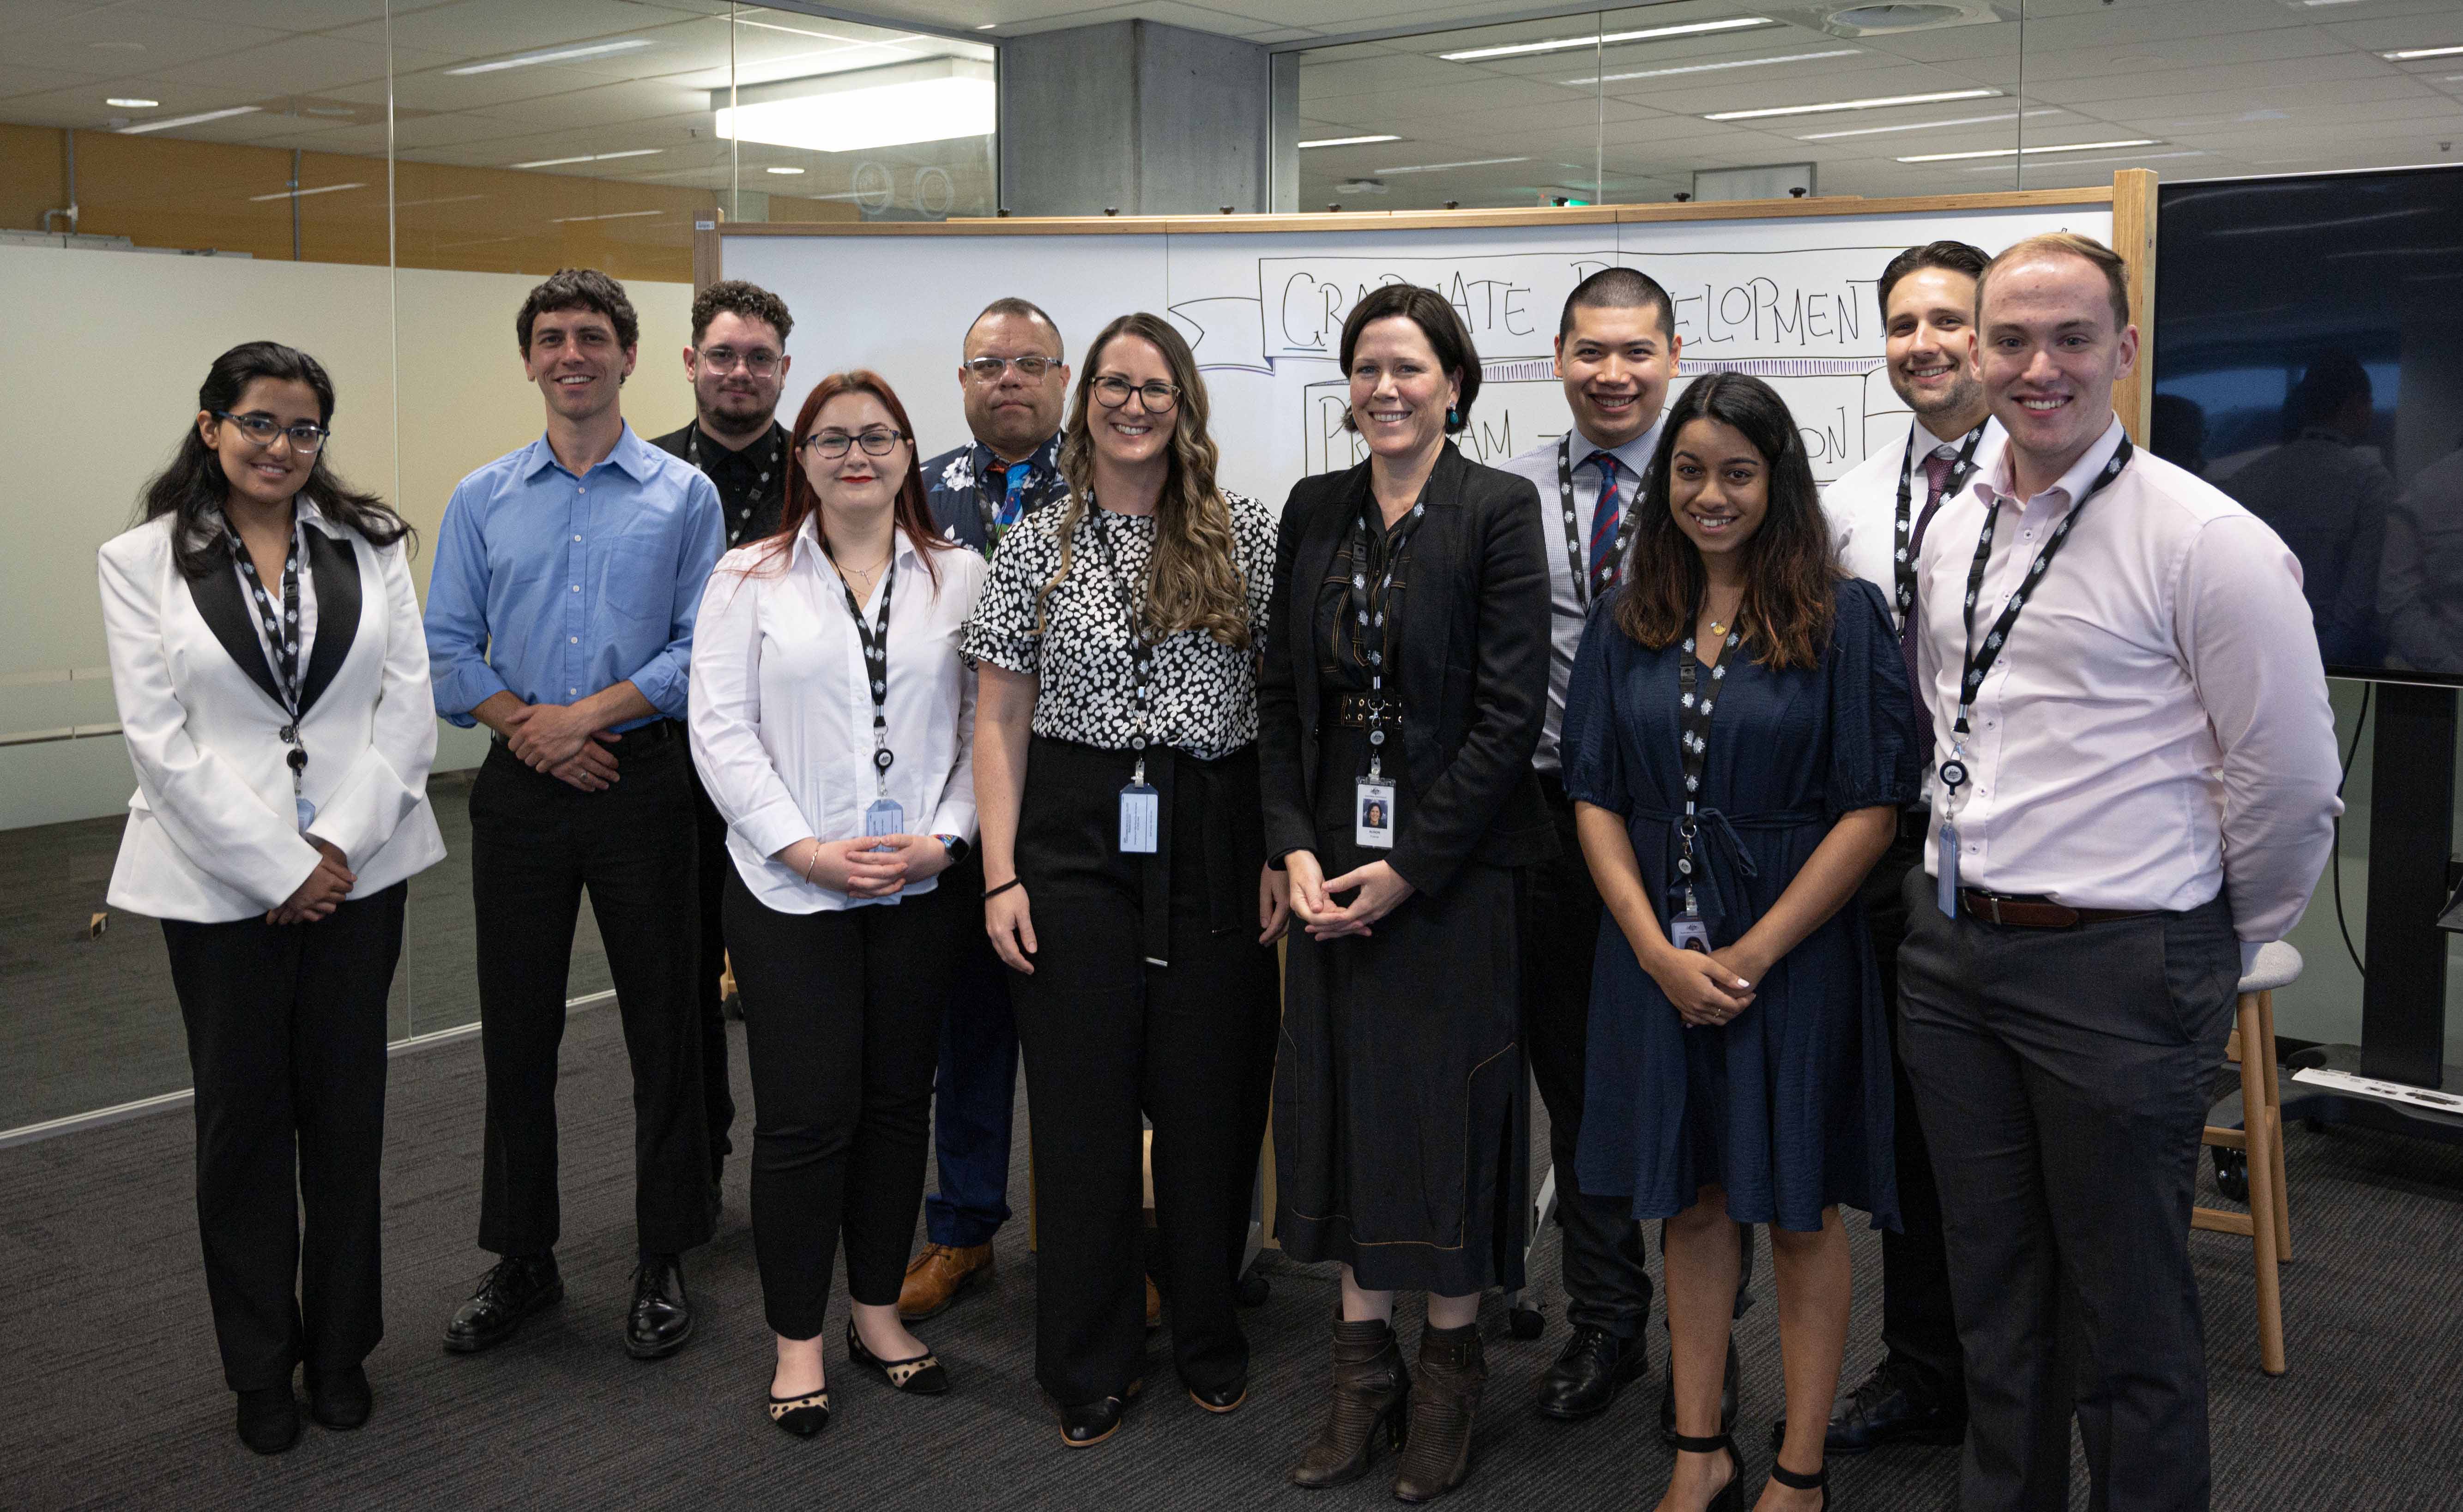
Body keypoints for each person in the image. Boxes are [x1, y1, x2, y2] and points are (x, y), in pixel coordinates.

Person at [1902, 232, 2342, 1512]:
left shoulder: (2206, 543)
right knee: (1993, 1302)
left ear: (2122, 353)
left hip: (2118, 966)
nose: (2038, 368)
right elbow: (1950, 719)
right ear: (1977, 351)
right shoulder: (1951, 525)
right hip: (1949, 956)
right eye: (2011, 340)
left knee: (2128, 1325)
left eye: (2071, 339)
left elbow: (2289, 786)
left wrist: (2196, 941)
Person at [1568, 371, 1914, 1512]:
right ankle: (1697, 1446)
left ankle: (1800, 1469)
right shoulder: (1629, 620)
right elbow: (1597, 796)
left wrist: (1754, 952)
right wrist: (1657, 954)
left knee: (1799, 1208)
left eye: (1736, 472)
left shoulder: (1844, 613)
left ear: (1778, 481)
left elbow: (1871, 808)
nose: (1710, 495)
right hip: (1654, 959)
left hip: (1794, 957)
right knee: (1695, 1201)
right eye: (1689, 470)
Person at [98, 341, 444, 1453]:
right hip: (216, 887)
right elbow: (161, 743)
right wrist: (278, 864)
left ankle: (340, 1348)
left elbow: (408, 711)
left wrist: (334, 845)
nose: (280, 447)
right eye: (258, 422)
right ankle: (259, 1365)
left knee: (348, 1118)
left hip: (362, 872)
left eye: (303, 429)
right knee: (243, 1128)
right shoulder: (141, 559)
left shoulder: (371, 544)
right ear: (211, 426)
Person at [965, 311, 1284, 1448]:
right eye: (1113, 384)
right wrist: (1000, 875)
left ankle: (1206, 1331)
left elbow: (1278, 705)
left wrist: (1272, 849)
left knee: (1208, 1105)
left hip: (1214, 834)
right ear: (1083, 398)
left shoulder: (1244, 533)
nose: (1133, 404)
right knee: (1085, 1113)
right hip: (1071, 840)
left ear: (1184, 402)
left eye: (1155, 386)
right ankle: (1087, 1357)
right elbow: (998, 716)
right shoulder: (1034, 542)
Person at [1263, 283, 1556, 1503]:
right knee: (1336, 1112)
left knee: (1439, 1120)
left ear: (1451, 382)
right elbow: (1280, 700)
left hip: (1447, 878)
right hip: (1328, 866)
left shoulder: (1495, 508)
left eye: (1410, 367)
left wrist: (1407, 867)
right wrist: (1287, 847)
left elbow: (1506, 720)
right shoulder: (1312, 506)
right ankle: (1358, 1375)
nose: (1386, 388)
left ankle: (1446, 1373)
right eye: (1367, 367)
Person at [425, 268, 725, 1361]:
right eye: (551, 337)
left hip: (642, 781)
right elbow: (446, 649)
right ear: (529, 360)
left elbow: (703, 647)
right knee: (518, 1027)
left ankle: (663, 1251)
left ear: (630, 356)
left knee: (666, 1025)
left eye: (592, 336)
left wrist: (581, 719)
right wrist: (528, 728)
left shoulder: (682, 495)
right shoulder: (482, 497)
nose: (571, 354)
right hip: (519, 789)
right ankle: (524, 1255)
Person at [688, 370, 987, 1439]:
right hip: (788, 892)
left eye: (878, 436)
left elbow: (981, 732)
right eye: (831, 438)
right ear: (800, 457)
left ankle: (875, 1313)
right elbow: (719, 732)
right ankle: (797, 1343)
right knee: (809, 1117)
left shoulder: (961, 574)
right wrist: (804, 848)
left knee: (900, 1102)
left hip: (916, 887)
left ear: (910, 451)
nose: (856, 454)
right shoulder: (748, 575)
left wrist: (946, 838)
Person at [1494, 265, 1752, 1436]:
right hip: (1551, 817)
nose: (1613, 372)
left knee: (1705, 1084)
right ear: (1558, 357)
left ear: (1673, 352)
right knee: (1581, 1080)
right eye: (1590, 351)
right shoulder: (1508, 496)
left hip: (1688, 822)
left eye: (1636, 350)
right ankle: (1606, 1316)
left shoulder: (1717, 493)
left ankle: (1712, 1347)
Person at [1801, 240, 2000, 1458]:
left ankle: (2013, 1377)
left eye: (1946, 319)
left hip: (2009, 852)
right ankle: (1923, 1363)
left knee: (1999, 1137)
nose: (1922, 342)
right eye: (1901, 323)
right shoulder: (1843, 501)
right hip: (1882, 846)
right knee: (1908, 1128)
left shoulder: (2048, 491)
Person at [902, 296, 1075, 1323]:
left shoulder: (1115, 486)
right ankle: (961, 1228)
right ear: (962, 384)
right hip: (950, 818)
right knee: (965, 1035)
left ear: (1063, 380)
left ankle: (1092, 1230)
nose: (1006, 380)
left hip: (1079, 812)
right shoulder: (914, 497)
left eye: (1028, 364)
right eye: (985, 365)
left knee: (1085, 1040)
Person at [652, 277, 799, 1214]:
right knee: (680, 995)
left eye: (758, 357)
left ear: (784, 369)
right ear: (691, 362)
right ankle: (693, 1176)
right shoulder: (649, 476)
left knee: (795, 993)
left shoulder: (828, 469)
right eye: (723, 354)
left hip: (795, 781)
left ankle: (805, 1173)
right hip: (668, 780)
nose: (739, 372)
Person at [2218, 352, 2392, 668]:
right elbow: (2359, 601)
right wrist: (2318, 665)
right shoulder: (2370, 481)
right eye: (2369, 401)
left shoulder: (2250, 476)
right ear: (2354, 403)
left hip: (2249, 649)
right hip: (2334, 657)